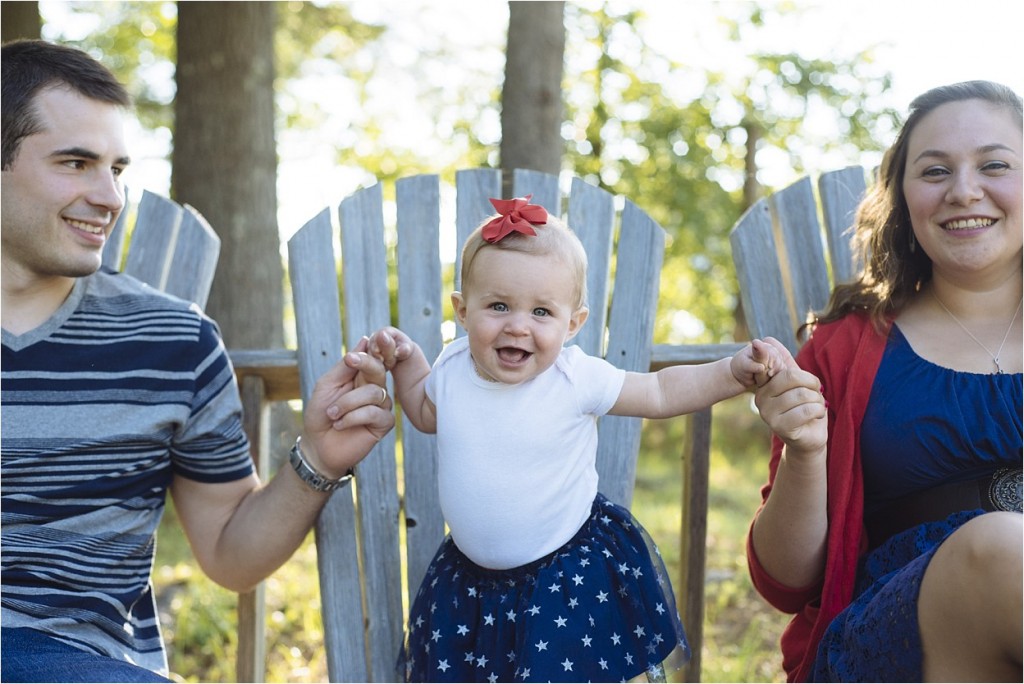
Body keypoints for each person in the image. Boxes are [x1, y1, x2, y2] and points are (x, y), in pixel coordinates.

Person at [0, 39, 394, 682]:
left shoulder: (173, 343)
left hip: (80, 662)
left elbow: (229, 555)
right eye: (76, 163)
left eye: (117, 170)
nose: (109, 197)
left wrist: (316, 459)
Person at [365, 194, 784, 682]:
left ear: (573, 324)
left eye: (541, 312)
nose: (518, 325)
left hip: (560, 583)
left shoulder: (574, 377)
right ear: (462, 310)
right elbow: (423, 410)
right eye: (498, 305)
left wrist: (732, 372)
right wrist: (408, 360)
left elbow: (660, 391)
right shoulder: (454, 367)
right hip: (469, 587)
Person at [748, 80, 1023, 682]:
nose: (963, 190)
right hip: (891, 638)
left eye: (995, 164)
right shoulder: (844, 349)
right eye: (934, 172)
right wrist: (806, 453)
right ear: (903, 197)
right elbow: (786, 581)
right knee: (1002, 548)